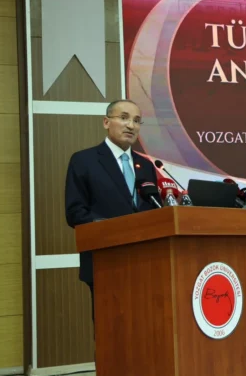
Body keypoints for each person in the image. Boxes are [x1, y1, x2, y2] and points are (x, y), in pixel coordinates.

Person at [64, 99, 162, 324]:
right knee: (110, 329)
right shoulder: (84, 161)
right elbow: (75, 212)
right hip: (105, 262)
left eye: (137, 121)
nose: (131, 125)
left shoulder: (146, 166)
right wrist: (114, 229)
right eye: (124, 118)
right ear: (106, 122)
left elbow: (153, 210)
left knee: (146, 327)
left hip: (146, 262)